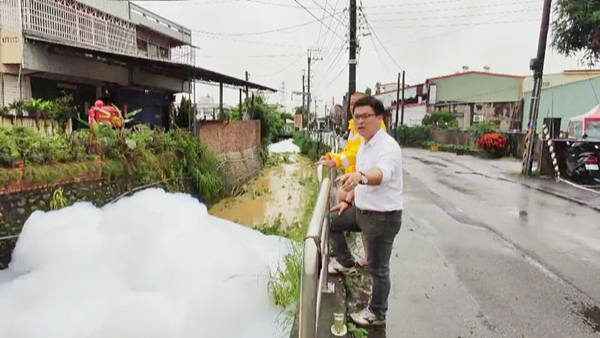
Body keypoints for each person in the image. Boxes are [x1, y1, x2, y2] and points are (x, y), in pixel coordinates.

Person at [328, 96, 403, 326]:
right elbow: (358, 177)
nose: (360, 121)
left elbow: (382, 174)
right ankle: (346, 262)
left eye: (365, 116)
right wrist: (347, 199)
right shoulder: (363, 143)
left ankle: (377, 313)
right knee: (332, 221)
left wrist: (361, 177)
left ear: (379, 118)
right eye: (356, 117)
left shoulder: (388, 147)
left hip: (382, 217)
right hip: (362, 210)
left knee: (379, 269)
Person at [317, 92, 386, 266]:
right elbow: (351, 153)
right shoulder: (354, 127)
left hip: (368, 193)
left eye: (357, 104)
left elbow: (356, 158)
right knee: (345, 214)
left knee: (337, 219)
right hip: (358, 187)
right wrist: (334, 157)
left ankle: (357, 261)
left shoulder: (375, 133)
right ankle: (366, 259)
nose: (353, 107)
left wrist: (337, 161)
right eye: (351, 105)